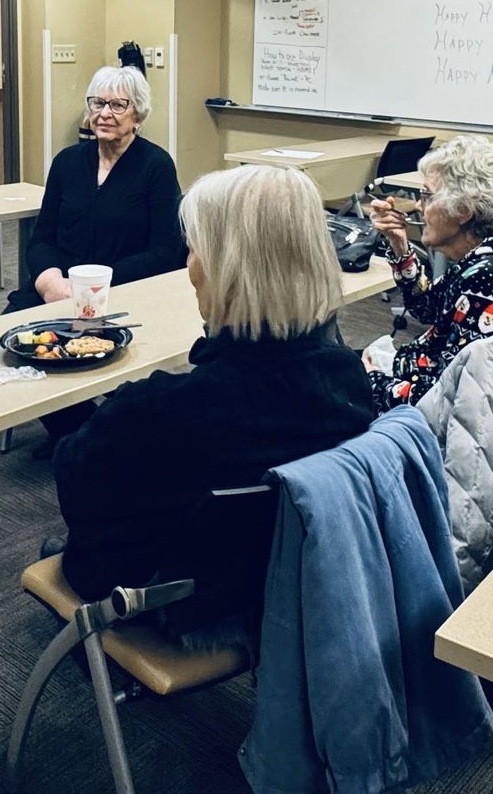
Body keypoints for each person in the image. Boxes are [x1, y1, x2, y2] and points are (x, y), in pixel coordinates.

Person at [52, 165, 376, 609]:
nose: (188, 265)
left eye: (194, 249)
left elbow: (78, 491)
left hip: (177, 602)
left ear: (225, 269)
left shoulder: (159, 410)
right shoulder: (349, 381)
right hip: (291, 590)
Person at [9, 65, 184, 446]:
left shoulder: (155, 166)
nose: (104, 113)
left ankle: (92, 440)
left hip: (123, 291)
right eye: (97, 103)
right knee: (15, 337)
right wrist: (50, 281)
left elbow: (165, 252)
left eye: (118, 105)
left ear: (138, 116)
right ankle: (79, 431)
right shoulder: (67, 162)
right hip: (59, 289)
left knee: (87, 344)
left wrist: (93, 287)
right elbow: (42, 238)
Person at [366, 135, 493, 410]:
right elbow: (428, 309)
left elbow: (447, 397)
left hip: (443, 411)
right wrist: (399, 244)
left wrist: (371, 382)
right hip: (428, 375)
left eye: (427, 195)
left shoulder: (490, 278)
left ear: (463, 211)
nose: (418, 206)